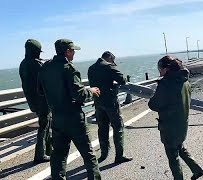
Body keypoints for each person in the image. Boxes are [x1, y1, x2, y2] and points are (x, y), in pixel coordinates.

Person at [38, 39, 101, 179]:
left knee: (58, 157)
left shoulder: (45, 68)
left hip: (57, 118)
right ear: (67, 51)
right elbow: (79, 95)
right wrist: (91, 91)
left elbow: (40, 91)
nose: (74, 54)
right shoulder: (69, 68)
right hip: (74, 118)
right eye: (73, 51)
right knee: (88, 154)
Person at [148, 56, 203, 180]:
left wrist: (153, 97)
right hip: (182, 123)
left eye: (160, 69)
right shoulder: (185, 81)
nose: (159, 71)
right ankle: (197, 170)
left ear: (166, 69)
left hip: (169, 126)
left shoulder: (166, 83)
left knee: (173, 156)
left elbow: (153, 105)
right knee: (180, 147)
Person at [87, 51, 132, 163]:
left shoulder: (91, 68)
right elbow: (122, 80)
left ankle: (104, 154)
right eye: (113, 60)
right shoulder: (109, 66)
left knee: (102, 128)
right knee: (118, 127)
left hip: (98, 102)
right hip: (110, 102)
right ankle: (119, 156)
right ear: (109, 58)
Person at [19, 39, 52, 164]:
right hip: (42, 100)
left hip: (33, 100)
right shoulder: (35, 64)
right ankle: (41, 154)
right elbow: (46, 77)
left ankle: (48, 150)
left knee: (47, 124)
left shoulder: (23, 63)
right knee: (44, 126)